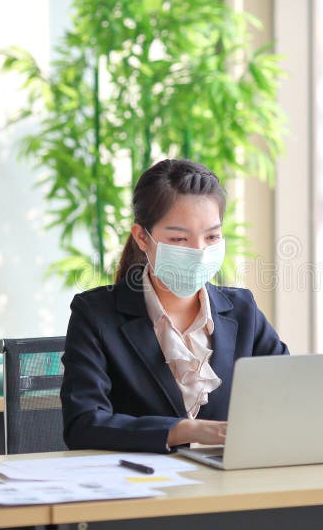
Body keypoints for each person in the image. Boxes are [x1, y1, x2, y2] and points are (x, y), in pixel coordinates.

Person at [61, 159, 289, 453]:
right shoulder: (95, 315)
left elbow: (289, 394)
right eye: (180, 238)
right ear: (143, 237)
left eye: (212, 236)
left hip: (232, 483)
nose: (199, 251)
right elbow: (83, 424)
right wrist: (182, 431)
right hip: (142, 487)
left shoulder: (242, 310)